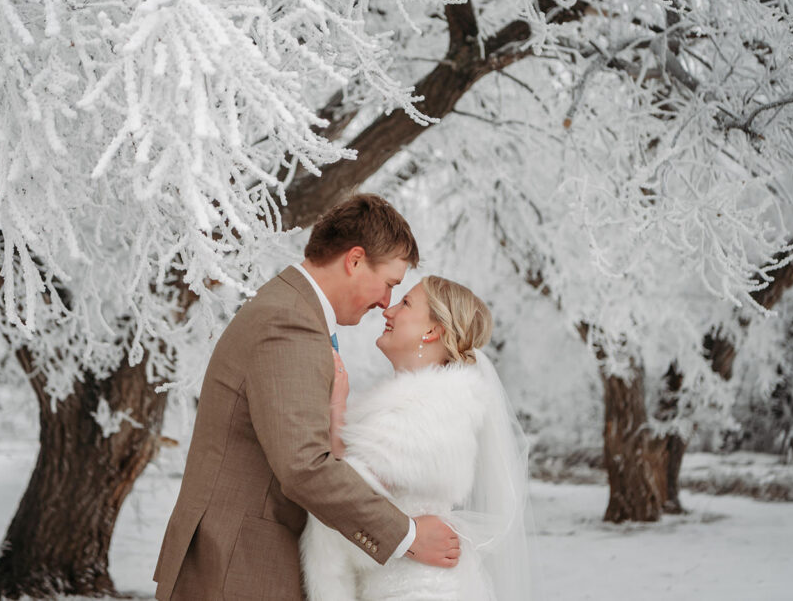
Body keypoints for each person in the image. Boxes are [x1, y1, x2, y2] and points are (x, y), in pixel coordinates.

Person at [153, 195, 462, 600]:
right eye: (389, 283)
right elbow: (304, 466)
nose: (385, 302)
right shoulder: (290, 321)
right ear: (355, 260)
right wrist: (407, 536)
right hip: (239, 568)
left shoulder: (293, 311)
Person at [301, 276, 531, 600]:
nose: (388, 311)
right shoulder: (419, 406)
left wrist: (337, 408)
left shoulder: (431, 410)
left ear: (432, 330)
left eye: (405, 303)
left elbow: (344, 496)